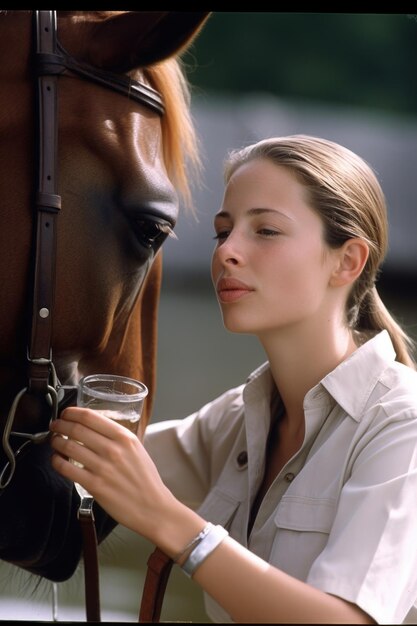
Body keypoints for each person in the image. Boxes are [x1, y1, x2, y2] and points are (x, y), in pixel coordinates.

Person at [49, 135, 417, 624]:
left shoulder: (401, 425)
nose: (228, 252)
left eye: (265, 230)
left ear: (347, 260)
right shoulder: (239, 418)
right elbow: (89, 460)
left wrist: (168, 520)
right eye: (223, 232)